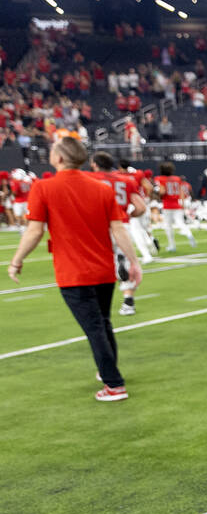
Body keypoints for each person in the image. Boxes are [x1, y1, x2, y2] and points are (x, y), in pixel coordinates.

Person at [7, 137, 142, 401]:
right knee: (102, 323)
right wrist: (133, 262)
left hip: (73, 271)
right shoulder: (102, 189)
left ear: (58, 158)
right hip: (103, 269)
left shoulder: (43, 187)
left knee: (95, 327)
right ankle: (108, 374)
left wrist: (17, 260)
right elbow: (118, 228)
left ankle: (114, 384)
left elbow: (35, 231)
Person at [152, 161, 196, 252]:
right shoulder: (177, 179)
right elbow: (181, 192)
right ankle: (189, 234)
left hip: (167, 205)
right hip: (177, 204)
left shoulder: (160, 178)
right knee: (180, 223)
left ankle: (172, 245)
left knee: (168, 226)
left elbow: (162, 192)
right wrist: (182, 204)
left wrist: (157, 193)